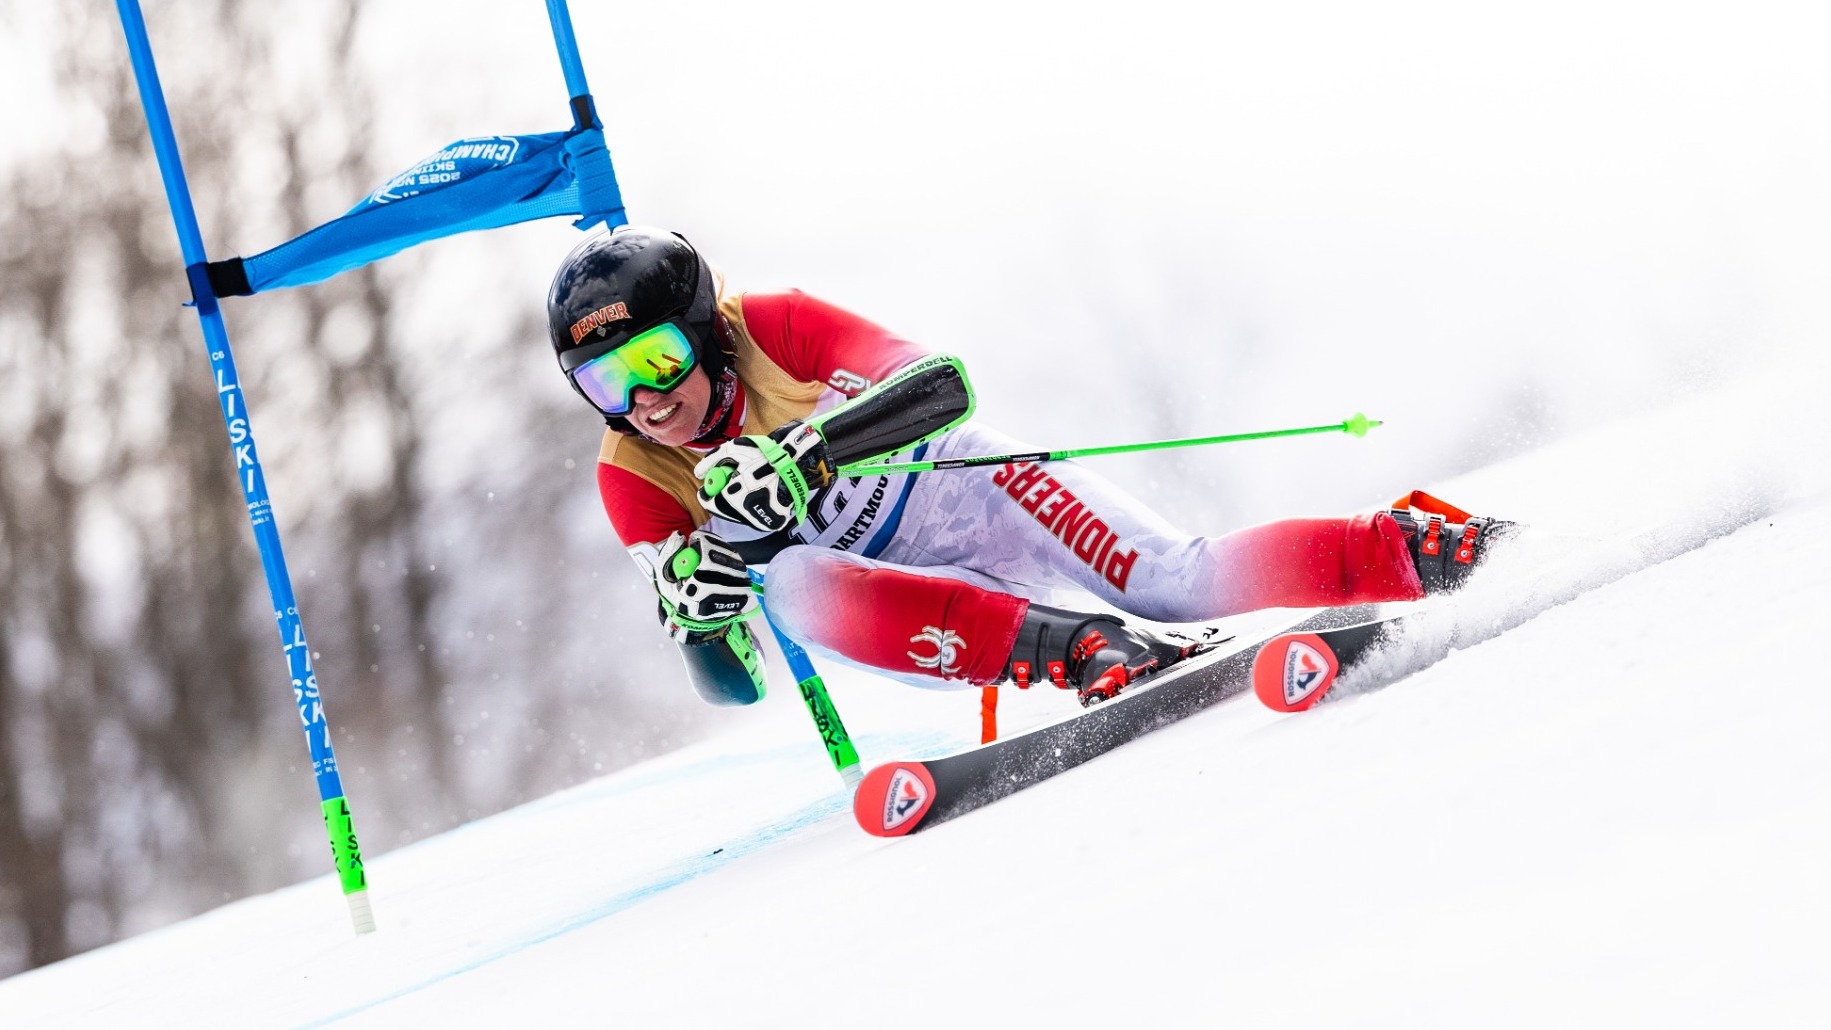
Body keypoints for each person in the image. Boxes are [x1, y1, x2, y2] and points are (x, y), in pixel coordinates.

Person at [547, 225, 1508, 707]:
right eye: (604, 384)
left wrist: (809, 453)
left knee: (1175, 583)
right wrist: (697, 619)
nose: (645, 402)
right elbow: (735, 688)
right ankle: (1078, 649)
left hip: (974, 498)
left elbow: (941, 387)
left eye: (656, 360)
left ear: (709, 332)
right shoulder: (633, 473)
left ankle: (1415, 549)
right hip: (911, 603)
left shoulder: (774, 326)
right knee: (789, 588)